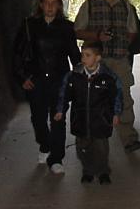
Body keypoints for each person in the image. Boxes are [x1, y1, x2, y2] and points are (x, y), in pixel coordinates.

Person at [75, 0, 140, 153]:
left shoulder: (125, 4)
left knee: (125, 99)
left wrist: (123, 43)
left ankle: (128, 138)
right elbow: (78, 30)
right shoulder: (90, 4)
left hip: (120, 59)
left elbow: (132, 30)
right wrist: (97, 35)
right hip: (97, 62)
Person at [13, 0, 81, 175]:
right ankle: (45, 145)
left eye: (54, 2)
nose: (50, 6)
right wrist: (22, 77)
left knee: (58, 119)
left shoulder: (67, 27)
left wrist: (83, 75)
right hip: (36, 81)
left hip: (60, 80)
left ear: (59, 5)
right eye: (47, 2)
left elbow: (74, 54)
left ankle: (56, 158)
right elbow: (17, 54)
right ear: (41, 5)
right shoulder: (29, 25)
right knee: (38, 119)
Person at [54, 40, 123, 184]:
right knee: (82, 148)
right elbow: (63, 93)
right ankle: (88, 170)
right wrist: (61, 109)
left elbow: (116, 95)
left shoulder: (109, 77)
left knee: (101, 148)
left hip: (101, 120)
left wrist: (116, 113)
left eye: (87, 55)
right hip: (80, 119)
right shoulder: (74, 76)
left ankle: (103, 171)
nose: (83, 58)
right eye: (82, 55)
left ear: (98, 58)